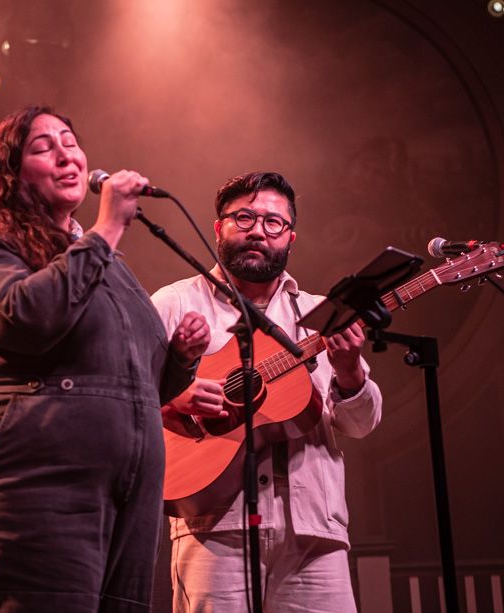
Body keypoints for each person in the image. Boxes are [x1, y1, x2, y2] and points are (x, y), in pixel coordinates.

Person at [0, 105, 210, 613]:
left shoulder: (103, 262)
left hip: (124, 493)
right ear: (11, 174)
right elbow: (26, 318)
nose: (65, 155)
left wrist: (180, 359)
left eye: (70, 142)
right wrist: (106, 230)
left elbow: (134, 384)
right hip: (27, 479)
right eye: (43, 147)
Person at [150, 171, 383, 613]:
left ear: (290, 237)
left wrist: (349, 368)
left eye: (273, 222)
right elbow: (120, 387)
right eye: (244, 218)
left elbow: (359, 425)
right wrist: (176, 395)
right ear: (218, 228)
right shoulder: (175, 303)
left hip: (314, 530)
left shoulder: (319, 313)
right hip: (213, 525)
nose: (258, 230)